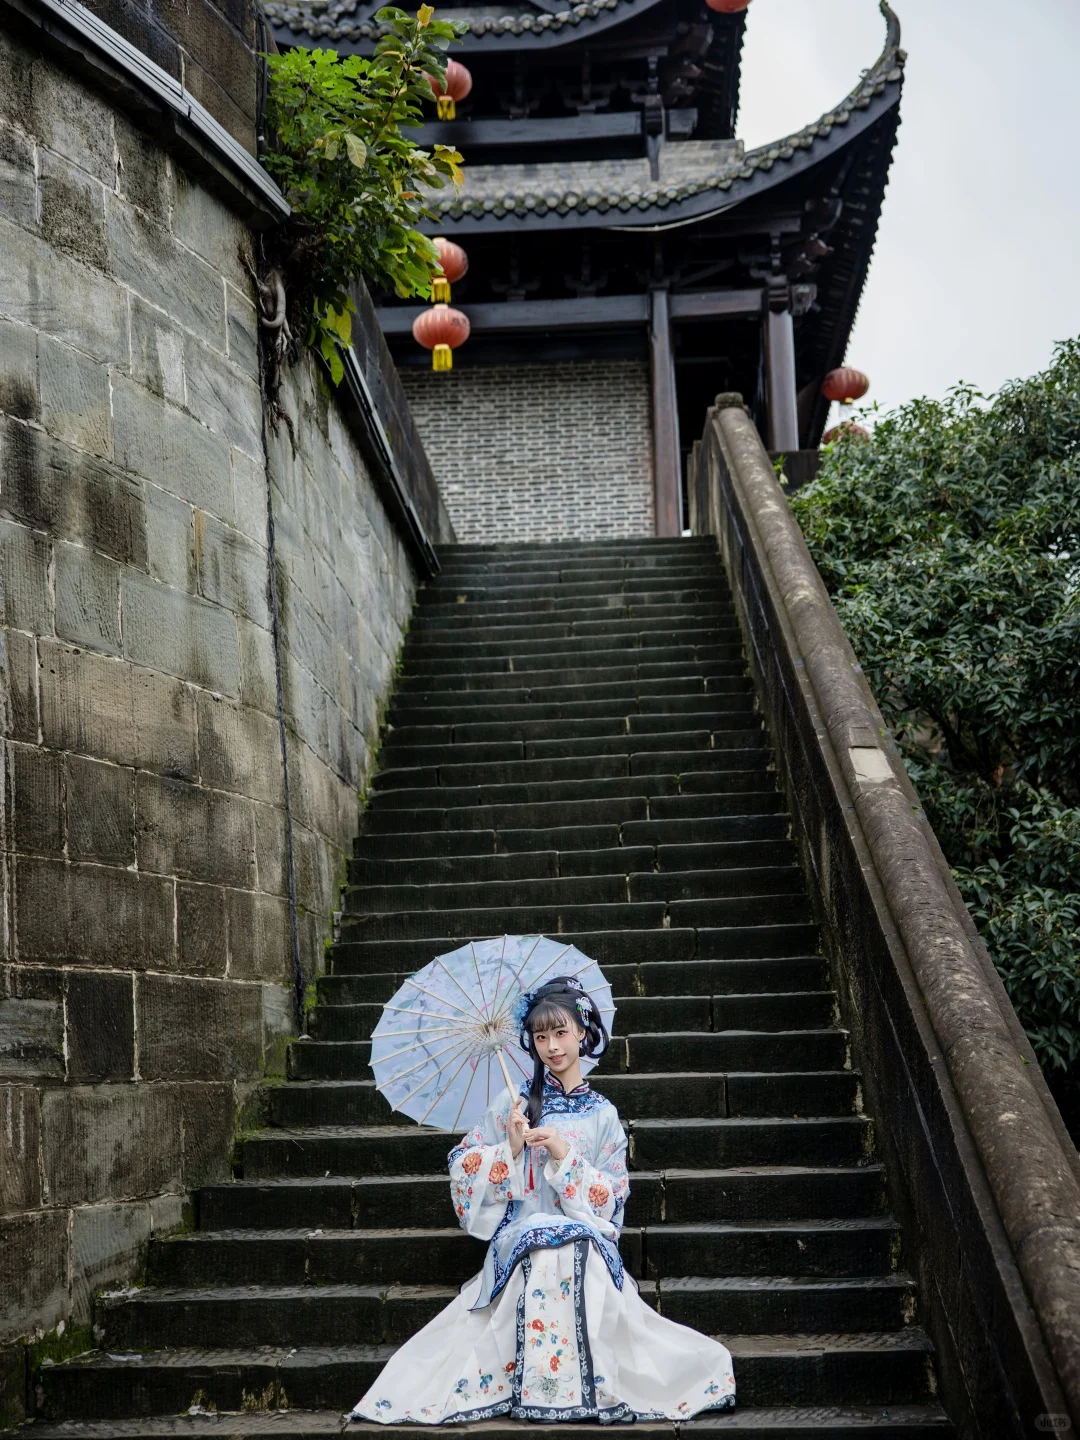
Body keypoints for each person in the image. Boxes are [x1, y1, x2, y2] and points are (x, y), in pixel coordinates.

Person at [349, 975, 736, 1425]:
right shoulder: (512, 1104)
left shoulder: (604, 1115)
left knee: (576, 1245)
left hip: (585, 1236)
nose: (551, 1046)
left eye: (560, 1033)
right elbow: (462, 1166)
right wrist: (509, 1147)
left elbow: (613, 1198)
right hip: (519, 1235)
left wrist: (562, 1154)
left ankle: (569, 1387)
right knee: (542, 1243)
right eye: (540, 1037)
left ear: (583, 1033)